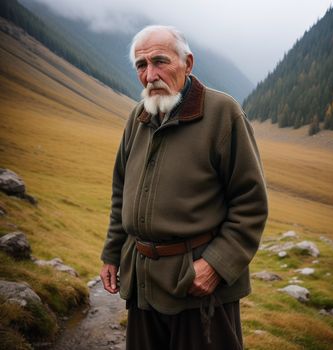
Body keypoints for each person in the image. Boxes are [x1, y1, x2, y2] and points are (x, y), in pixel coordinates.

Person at [100, 25, 268, 350]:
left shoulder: (223, 114)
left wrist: (216, 265)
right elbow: (122, 193)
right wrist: (111, 254)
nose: (150, 75)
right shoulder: (138, 117)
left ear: (188, 64)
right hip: (142, 284)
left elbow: (251, 203)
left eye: (160, 61)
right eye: (141, 65)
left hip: (197, 287)